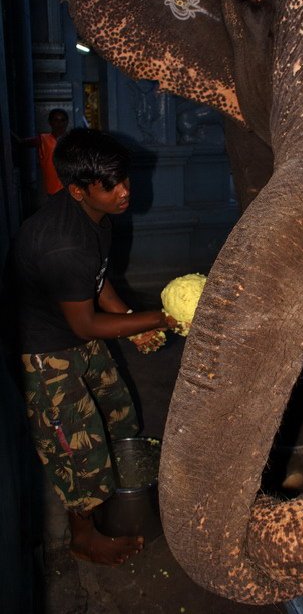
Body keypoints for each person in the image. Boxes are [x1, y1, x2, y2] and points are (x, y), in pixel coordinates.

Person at [12, 127, 176, 566]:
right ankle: (81, 536)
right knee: (78, 449)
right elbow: (85, 323)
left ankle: (115, 498)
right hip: (48, 355)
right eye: (111, 186)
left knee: (120, 414)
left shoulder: (95, 218)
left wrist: (127, 321)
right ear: (78, 189)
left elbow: (97, 287)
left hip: (76, 336)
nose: (125, 192)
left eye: (125, 179)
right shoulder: (63, 242)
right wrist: (161, 318)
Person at [12, 108, 69, 195]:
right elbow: (21, 142)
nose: (59, 124)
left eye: (62, 120)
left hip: (71, 189)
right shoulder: (43, 139)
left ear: (66, 122)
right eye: (56, 120)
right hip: (53, 190)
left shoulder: (72, 140)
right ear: (50, 122)